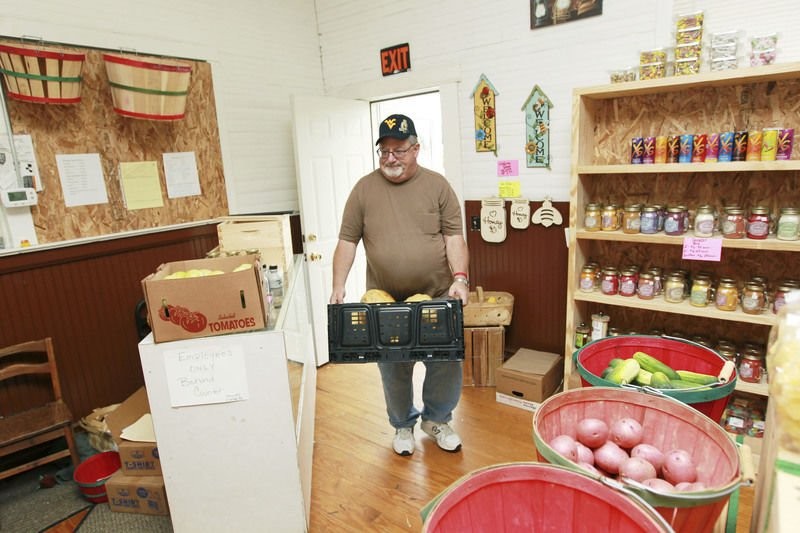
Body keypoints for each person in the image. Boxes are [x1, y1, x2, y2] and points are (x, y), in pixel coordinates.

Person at [330, 113, 470, 456]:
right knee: (393, 365)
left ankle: (436, 420)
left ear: (416, 149)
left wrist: (461, 279)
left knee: (444, 362)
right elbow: (347, 241)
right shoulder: (364, 189)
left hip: (436, 294)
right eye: (384, 151)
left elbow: (454, 237)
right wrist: (337, 286)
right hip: (385, 299)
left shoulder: (437, 186)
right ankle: (403, 424)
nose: (391, 158)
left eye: (399, 150)